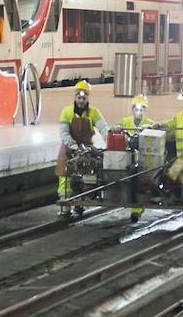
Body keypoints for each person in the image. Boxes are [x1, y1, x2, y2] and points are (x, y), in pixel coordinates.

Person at [57, 80, 109, 217]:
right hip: (69, 149)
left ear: (87, 98)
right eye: (79, 97)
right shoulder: (66, 112)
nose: (81, 100)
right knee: (65, 177)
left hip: (87, 149)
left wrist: (109, 140)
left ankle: (80, 203)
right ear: (75, 97)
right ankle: (65, 205)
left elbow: (103, 127)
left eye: (84, 97)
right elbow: (64, 133)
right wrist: (73, 146)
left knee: (87, 176)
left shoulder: (94, 113)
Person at [118, 95, 156, 222]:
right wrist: (115, 128)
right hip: (128, 158)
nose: (139, 112)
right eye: (137, 109)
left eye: (142, 109)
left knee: (140, 183)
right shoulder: (125, 122)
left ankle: (136, 210)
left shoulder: (150, 124)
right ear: (132, 109)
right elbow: (115, 127)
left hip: (145, 160)